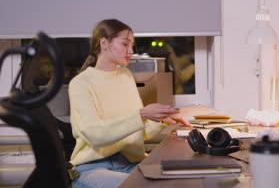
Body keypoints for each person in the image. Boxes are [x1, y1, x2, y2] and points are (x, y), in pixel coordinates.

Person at [68, 19, 190, 188]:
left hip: (131, 164)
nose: (131, 51)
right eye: (125, 44)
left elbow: (137, 133)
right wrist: (142, 115)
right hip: (93, 168)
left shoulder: (125, 76)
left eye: (132, 45)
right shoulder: (81, 83)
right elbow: (95, 136)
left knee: (179, 183)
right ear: (104, 43)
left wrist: (163, 120)